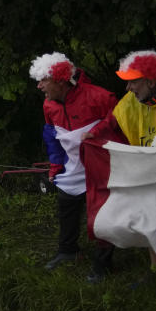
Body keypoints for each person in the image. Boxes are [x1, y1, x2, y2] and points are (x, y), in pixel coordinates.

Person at [85, 50, 156, 280]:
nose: (128, 89)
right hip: (151, 172)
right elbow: (114, 120)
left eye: (132, 82)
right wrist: (93, 134)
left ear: (151, 80)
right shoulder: (134, 100)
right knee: (152, 216)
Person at [29, 52, 121, 271]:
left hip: (103, 164)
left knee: (101, 213)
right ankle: (68, 251)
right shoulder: (49, 105)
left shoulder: (100, 97)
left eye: (44, 81)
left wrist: (97, 133)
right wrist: (56, 166)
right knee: (66, 203)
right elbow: (53, 138)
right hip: (73, 165)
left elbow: (121, 123)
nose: (39, 86)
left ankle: (103, 264)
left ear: (60, 81)